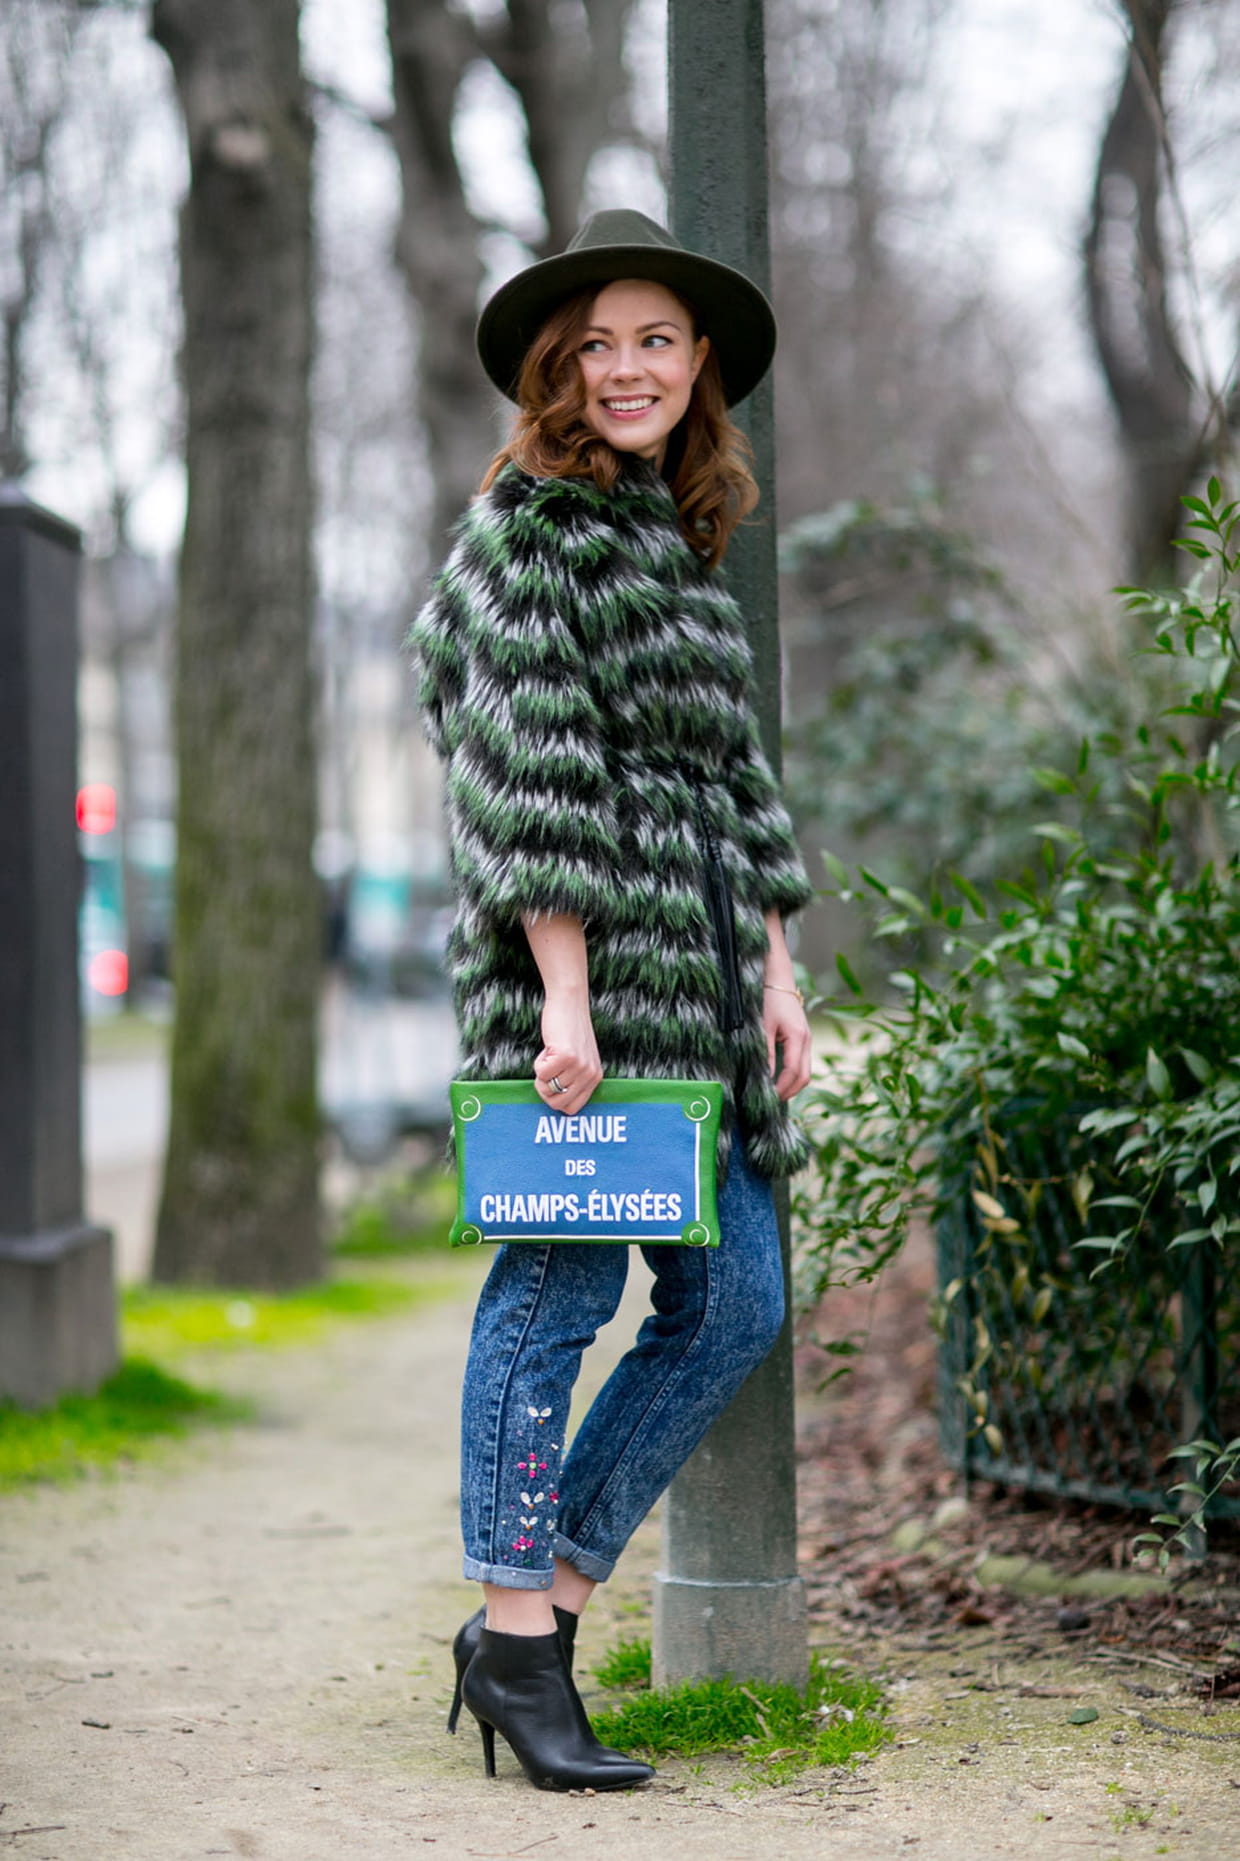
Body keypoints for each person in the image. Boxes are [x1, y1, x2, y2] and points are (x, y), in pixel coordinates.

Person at [410, 209, 814, 1793]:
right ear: (558, 369)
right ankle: (520, 1638)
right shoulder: (533, 531)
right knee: (557, 1294)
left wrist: (777, 964)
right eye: (598, 344)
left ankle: (538, 1612)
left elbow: (736, 777)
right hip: (578, 989)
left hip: (705, 989)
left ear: (699, 360)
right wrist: (563, 998)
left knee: (738, 1303)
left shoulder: (674, 532)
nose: (628, 368)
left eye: (656, 340)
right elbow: (531, 780)